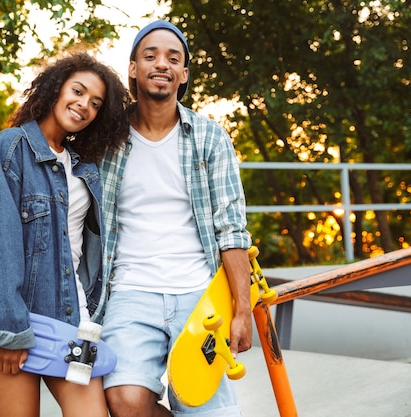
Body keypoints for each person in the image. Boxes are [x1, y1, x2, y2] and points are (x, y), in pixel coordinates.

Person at [0, 53, 129, 417]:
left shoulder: (85, 167)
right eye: (77, 91)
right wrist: (7, 329)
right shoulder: (13, 146)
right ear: (55, 89)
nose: (84, 105)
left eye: (95, 104)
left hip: (71, 318)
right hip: (15, 319)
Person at [99, 20, 253, 416]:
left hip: (199, 294)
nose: (161, 64)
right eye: (150, 56)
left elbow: (231, 228)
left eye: (173, 58)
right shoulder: (106, 137)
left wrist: (242, 309)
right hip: (131, 291)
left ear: (184, 74)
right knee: (125, 401)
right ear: (133, 68)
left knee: (201, 406)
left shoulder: (209, 137)